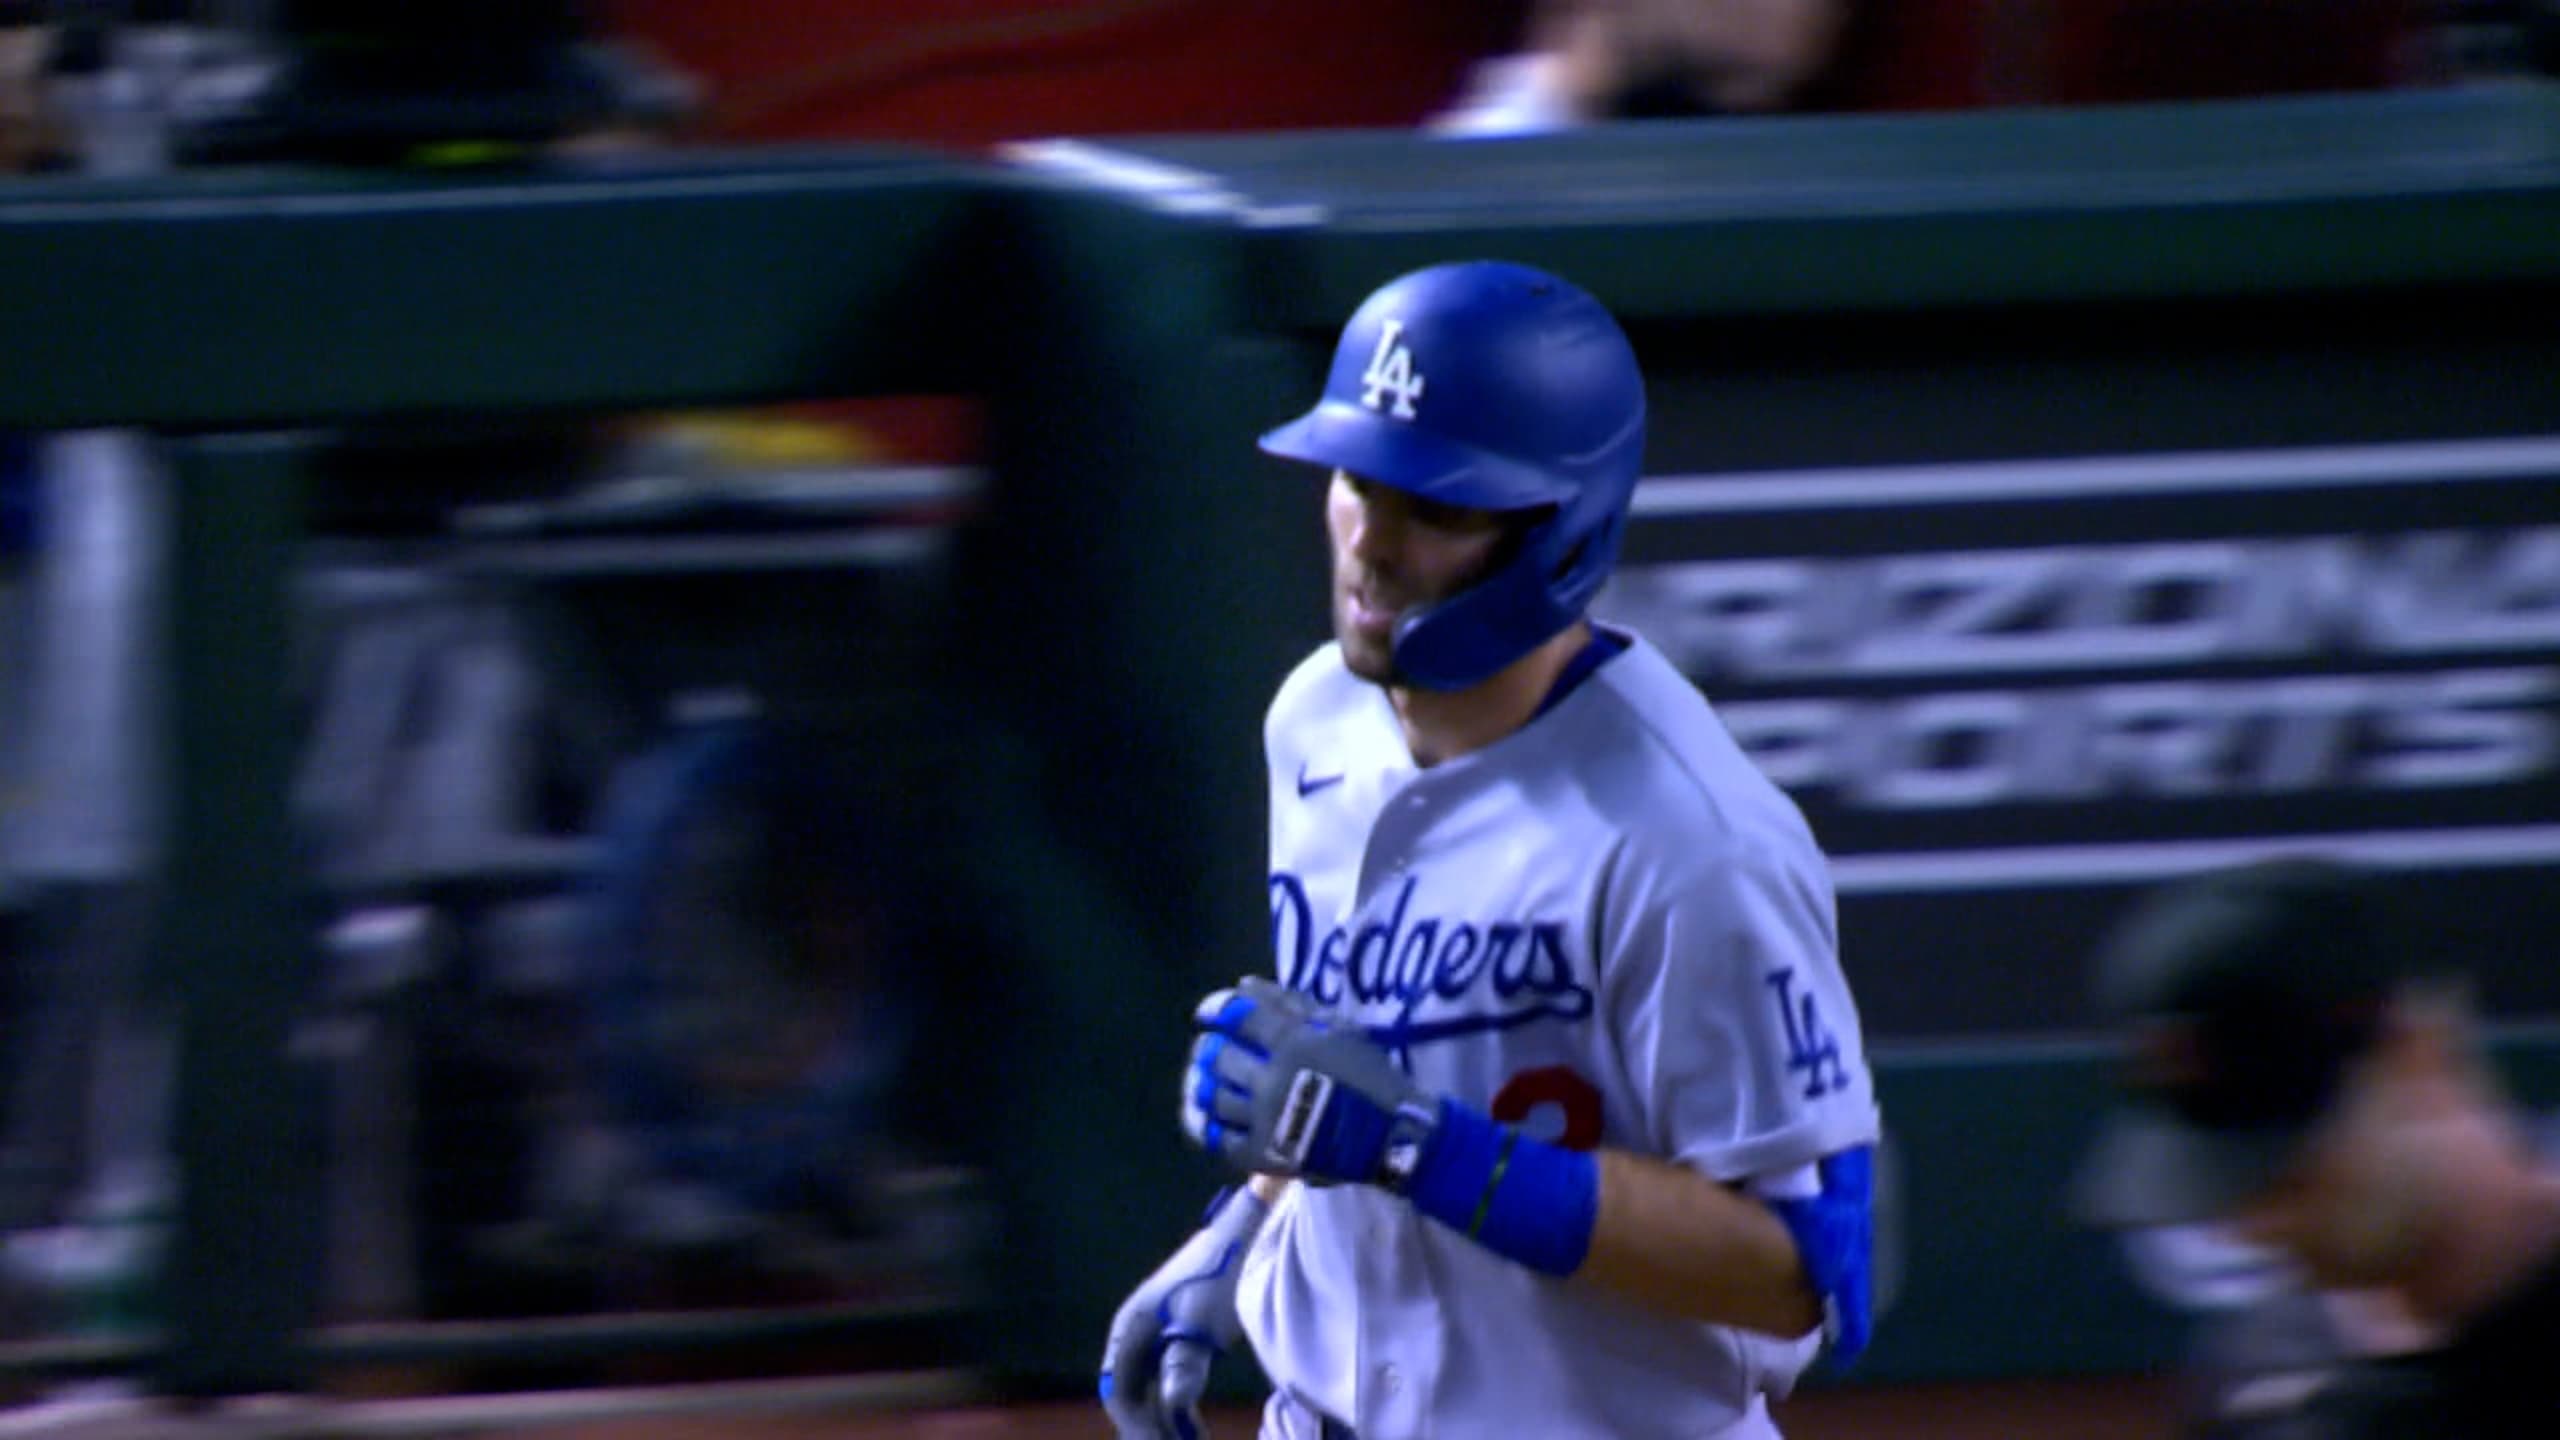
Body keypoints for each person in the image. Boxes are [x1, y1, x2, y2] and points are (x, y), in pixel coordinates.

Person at [1100, 260, 1883, 1440]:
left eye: (1437, 509)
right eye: (1358, 484)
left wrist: (1422, 1150)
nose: (1372, 545)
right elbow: (1356, 1066)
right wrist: (1243, 1229)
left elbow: (1807, 1268)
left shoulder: (1690, 842)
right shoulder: (1314, 721)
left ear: (1557, 531)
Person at [2073, 856, 2560, 1438]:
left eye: (2288, 1176)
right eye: (2229, 1187)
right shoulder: (2264, 1383)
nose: (2255, 1228)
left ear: (2415, 1051)